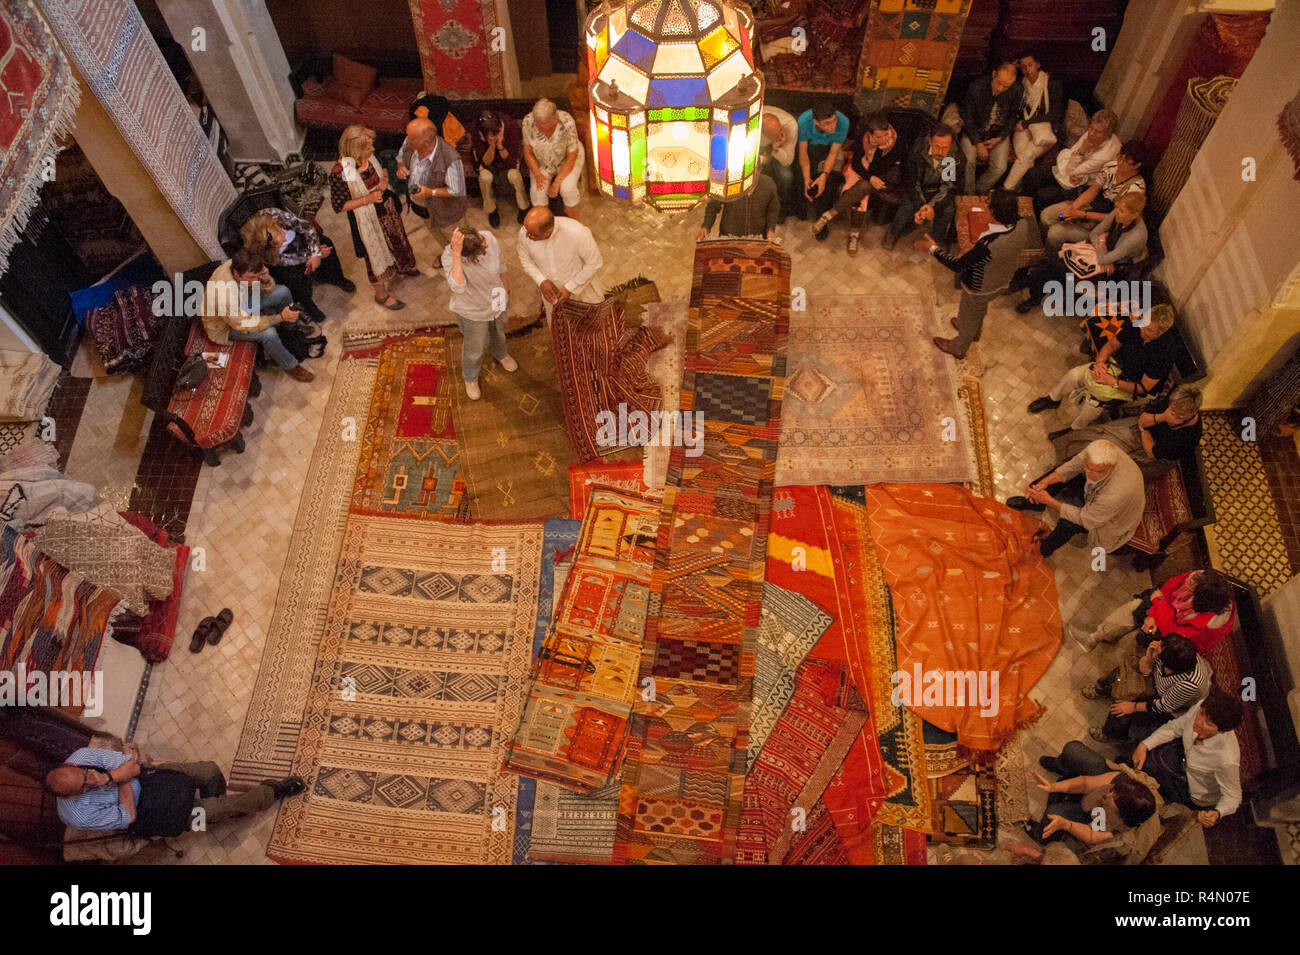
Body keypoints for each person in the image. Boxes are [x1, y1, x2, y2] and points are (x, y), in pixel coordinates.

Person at [46, 745, 303, 833]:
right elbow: (129, 816)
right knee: (230, 805)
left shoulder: (81, 757)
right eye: (84, 784)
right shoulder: (76, 815)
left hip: (153, 779)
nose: (89, 776)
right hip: (157, 811)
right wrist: (117, 778)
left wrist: (112, 777)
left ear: (71, 764)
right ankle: (274, 790)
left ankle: (215, 811)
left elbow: (133, 768)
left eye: (83, 772)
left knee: (209, 770)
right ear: (73, 795)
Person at [1026, 297, 1176, 430]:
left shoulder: (1164, 354)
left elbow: (1143, 388)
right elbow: (1111, 345)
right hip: (1117, 365)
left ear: (1160, 333)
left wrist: (1113, 382)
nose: (1142, 329)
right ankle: (1052, 399)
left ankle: (1075, 428)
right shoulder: (1137, 325)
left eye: (1149, 330)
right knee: (1074, 375)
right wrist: (1099, 363)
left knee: (1094, 403)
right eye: (1143, 323)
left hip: (1132, 383)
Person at [928, 189, 1030, 359]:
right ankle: (972, 330)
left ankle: (959, 346)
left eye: (988, 204)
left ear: (995, 212)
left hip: (980, 286)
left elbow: (958, 265)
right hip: (1002, 278)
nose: (985, 205)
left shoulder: (989, 244)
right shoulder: (1022, 224)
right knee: (978, 309)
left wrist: (933, 249)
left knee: (971, 314)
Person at [1027, 740, 1161, 864]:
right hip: (1106, 811)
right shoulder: (1128, 785)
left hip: (1101, 822)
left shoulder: (1120, 837)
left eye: (1112, 799)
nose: (1108, 795)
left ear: (1120, 815)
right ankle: (1062, 768)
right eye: (1112, 792)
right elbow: (1086, 783)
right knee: (1073, 749)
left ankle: (1041, 836)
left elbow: (1091, 835)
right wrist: (1053, 786)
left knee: (1054, 813)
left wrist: (1066, 825)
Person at [1016, 192, 1149, 316]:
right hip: (1103, 254)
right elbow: (1094, 233)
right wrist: (1101, 243)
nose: (1116, 212)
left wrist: (1102, 242)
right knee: (1057, 263)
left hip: (1114, 269)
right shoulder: (1117, 214)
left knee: (1057, 266)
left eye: (1121, 211)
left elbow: (1104, 257)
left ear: (1134, 214)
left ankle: (1028, 288)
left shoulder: (1135, 236)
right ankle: (1033, 293)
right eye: (1117, 207)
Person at [329, 125, 417, 311]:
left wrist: (383, 179)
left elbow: (381, 169)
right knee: (374, 256)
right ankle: (382, 295)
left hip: (386, 209)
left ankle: (403, 266)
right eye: (368, 147)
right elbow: (341, 205)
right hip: (367, 219)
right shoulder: (343, 171)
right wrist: (367, 199)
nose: (373, 149)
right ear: (356, 150)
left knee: (397, 239)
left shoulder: (368, 158)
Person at [1008, 439, 1145, 558]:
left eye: (1098, 471)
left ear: (1111, 467)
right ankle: (1036, 502)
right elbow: (1073, 466)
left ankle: (1045, 548)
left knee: (1068, 523)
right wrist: (1045, 482)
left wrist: (1050, 501)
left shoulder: (1115, 494)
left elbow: (1086, 519)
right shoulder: (1097, 449)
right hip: (1101, 500)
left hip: (1110, 519)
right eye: (1088, 468)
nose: (1090, 475)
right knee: (1055, 476)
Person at [201, 247, 313, 382]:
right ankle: (290, 366)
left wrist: (265, 278)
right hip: (224, 325)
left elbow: (265, 287)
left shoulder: (239, 264)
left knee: (283, 292)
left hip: (242, 302)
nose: (255, 281)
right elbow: (242, 324)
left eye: (257, 276)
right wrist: (279, 317)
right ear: (236, 274)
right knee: (268, 334)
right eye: (251, 278)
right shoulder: (225, 295)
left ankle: (291, 328)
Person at [1134, 689, 1243, 828]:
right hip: (1184, 758)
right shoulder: (1202, 706)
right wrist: (1144, 745)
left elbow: (1233, 796)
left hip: (1192, 790)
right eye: (1202, 714)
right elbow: (1174, 728)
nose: (1199, 722)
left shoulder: (1226, 759)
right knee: (1148, 756)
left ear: (1221, 731)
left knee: (1149, 796)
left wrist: (1217, 812)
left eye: (1208, 723)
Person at [1051, 384, 1203, 481]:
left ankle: (1077, 484)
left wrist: (1146, 429)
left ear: (1191, 414)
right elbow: (1143, 419)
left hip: (1155, 457)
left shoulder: (1189, 437)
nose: (1173, 415)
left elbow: (1151, 452)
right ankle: (1062, 471)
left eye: (1178, 415)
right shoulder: (1172, 404)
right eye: (1172, 409)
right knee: (1096, 439)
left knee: (1110, 469)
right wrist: (1162, 417)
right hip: (1143, 430)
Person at [1085, 632, 1212, 747]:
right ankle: (1102, 689)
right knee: (1119, 674)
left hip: (1168, 704)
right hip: (1156, 682)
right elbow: (1145, 668)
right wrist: (1148, 659)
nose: (1157, 647)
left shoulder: (1189, 684)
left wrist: (1133, 706)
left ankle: (1110, 734)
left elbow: (1163, 706)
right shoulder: (1173, 647)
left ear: (1169, 666)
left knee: (1122, 710)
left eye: (1159, 652)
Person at [1071, 567, 1237, 655]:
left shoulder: (1209, 624)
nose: (1189, 581)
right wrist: (1152, 614)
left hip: (1174, 644)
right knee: (1134, 608)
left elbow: (1173, 633)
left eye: (1194, 587)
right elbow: (1169, 586)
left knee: (1139, 646)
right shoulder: (1203, 578)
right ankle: (1094, 638)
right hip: (1163, 612)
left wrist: (1157, 604)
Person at [811, 112, 907, 253]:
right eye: (878, 137)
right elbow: (856, 164)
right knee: (862, 195)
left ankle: (829, 215)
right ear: (870, 134)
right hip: (863, 171)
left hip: (884, 177)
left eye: (886, 134)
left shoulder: (897, 143)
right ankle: (854, 235)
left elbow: (881, 168)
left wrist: (872, 173)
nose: (884, 139)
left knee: (863, 186)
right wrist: (869, 176)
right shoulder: (865, 140)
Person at [239, 209, 354, 324]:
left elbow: (306, 227)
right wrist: (310, 256)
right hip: (285, 258)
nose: (284, 238)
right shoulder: (263, 252)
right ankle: (309, 306)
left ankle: (336, 278)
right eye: (280, 243)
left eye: (280, 232)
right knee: (293, 281)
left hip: (299, 236)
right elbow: (284, 260)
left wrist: (316, 252)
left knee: (326, 243)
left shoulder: (274, 214)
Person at [443, 227, 517, 401]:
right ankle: (470, 377)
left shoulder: (489, 237)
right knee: (474, 346)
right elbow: (458, 286)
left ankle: (500, 353)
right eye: (481, 247)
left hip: (497, 296)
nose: (486, 245)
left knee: (499, 331)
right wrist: (456, 255)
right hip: (473, 309)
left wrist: (505, 288)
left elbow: (500, 264)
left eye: (483, 240)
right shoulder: (449, 256)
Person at [1040, 142, 1147, 253]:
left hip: (1101, 227)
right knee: (1047, 216)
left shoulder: (1136, 188)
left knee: (1055, 232)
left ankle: (1051, 258)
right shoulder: (1111, 166)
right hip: (1090, 207)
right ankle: (1039, 249)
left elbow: (1115, 218)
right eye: (1120, 157)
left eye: (1126, 162)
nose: (1120, 163)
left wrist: (1079, 214)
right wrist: (1071, 209)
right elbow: (1093, 190)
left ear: (1137, 165)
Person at [1019, 109, 1120, 218]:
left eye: (1098, 132)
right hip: (1068, 171)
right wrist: (1078, 153)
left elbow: (1072, 171)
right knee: (1032, 174)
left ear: (1108, 134)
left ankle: (1034, 221)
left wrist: (1082, 150)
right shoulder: (1091, 133)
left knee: (1043, 196)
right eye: (1091, 128)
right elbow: (1070, 155)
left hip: (1081, 185)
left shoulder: (1105, 155)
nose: (1091, 133)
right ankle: (1022, 208)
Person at [397, 117, 469, 263]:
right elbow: (400, 157)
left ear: (426, 142)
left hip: (446, 213)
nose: (407, 140)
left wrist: (430, 192)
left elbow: (457, 190)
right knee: (437, 234)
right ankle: (450, 256)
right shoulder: (409, 142)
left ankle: (465, 263)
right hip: (423, 210)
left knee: (462, 243)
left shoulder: (451, 160)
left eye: (412, 138)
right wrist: (401, 167)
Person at [883, 122, 964, 251]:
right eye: (937, 147)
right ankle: (893, 233)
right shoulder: (917, 149)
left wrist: (932, 206)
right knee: (907, 206)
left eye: (945, 147)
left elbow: (948, 186)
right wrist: (921, 204)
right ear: (930, 141)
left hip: (937, 191)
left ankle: (935, 241)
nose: (941, 152)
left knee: (947, 210)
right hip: (917, 188)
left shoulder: (954, 157)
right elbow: (911, 181)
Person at [517, 207, 603, 324]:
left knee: (591, 327)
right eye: (525, 229)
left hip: (582, 292)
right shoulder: (525, 233)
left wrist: (570, 287)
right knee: (560, 332)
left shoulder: (577, 232)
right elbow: (525, 259)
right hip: (552, 296)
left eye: (532, 234)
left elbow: (594, 263)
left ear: (547, 232)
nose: (526, 235)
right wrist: (541, 280)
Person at [1003, 53, 1065, 191]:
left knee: (1026, 156)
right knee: (1024, 159)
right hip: (1023, 127)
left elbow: (1055, 114)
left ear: (1038, 64)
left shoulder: (1051, 84)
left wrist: (1027, 123)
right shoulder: (1022, 83)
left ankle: (1006, 189)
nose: (1028, 70)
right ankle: (1019, 190)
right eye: (1024, 67)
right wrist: (1014, 66)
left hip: (1043, 129)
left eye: (1030, 65)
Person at [958, 61, 1021, 194]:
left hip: (997, 133)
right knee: (969, 160)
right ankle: (968, 195)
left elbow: (1013, 118)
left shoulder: (1016, 90)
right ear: (994, 74)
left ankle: (979, 191)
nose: (1000, 89)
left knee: (1000, 167)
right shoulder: (977, 87)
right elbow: (967, 117)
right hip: (974, 131)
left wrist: (1000, 138)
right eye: (999, 83)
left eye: (1006, 86)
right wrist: (978, 143)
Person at [522, 99, 584, 218]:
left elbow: (572, 156)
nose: (538, 128)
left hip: (567, 159)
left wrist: (556, 183)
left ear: (554, 118)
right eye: (536, 123)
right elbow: (528, 151)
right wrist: (537, 173)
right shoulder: (528, 121)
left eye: (542, 124)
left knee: (567, 189)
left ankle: (575, 224)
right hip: (542, 161)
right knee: (537, 192)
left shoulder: (567, 122)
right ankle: (545, 227)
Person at [471, 110, 528, 228]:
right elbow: (484, 162)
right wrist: (492, 145)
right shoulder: (475, 130)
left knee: (515, 176)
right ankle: (492, 210)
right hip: (489, 162)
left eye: (496, 132)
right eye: (490, 135)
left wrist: (500, 145)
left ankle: (523, 208)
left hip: (507, 162)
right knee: (485, 177)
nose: (495, 136)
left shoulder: (511, 127)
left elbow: (511, 162)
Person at [795, 101, 849, 220]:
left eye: (834, 121)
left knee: (831, 179)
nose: (833, 126)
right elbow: (803, 153)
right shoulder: (803, 121)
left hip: (830, 146)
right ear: (816, 122)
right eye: (827, 124)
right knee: (802, 175)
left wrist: (824, 175)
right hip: (811, 144)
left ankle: (822, 216)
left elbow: (833, 153)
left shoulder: (843, 122)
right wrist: (806, 178)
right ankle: (802, 210)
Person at [698, 171, 780, 241]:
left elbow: (773, 210)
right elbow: (713, 205)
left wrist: (770, 229)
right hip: (729, 238)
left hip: (757, 240)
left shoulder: (768, 184)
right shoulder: (728, 181)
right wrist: (706, 226)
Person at [759, 105, 799, 220]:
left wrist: (776, 148)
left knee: (786, 176)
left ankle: (782, 208)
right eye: (775, 134)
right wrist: (762, 159)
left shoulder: (790, 125)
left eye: (780, 130)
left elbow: (788, 161)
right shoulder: (751, 126)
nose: (781, 134)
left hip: (778, 150)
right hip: (759, 149)